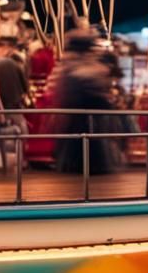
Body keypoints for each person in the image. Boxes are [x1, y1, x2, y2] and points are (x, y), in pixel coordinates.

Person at [50, 27, 121, 174]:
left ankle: (77, 165)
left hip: (77, 107)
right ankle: (93, 165)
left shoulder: (71, 64)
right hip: (89, 106)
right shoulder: (89, 65)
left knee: (77, 138)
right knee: (91, 138)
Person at [0, 36, 30, 168]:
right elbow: (25, 87)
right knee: (22, 130)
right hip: (14, 105)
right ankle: (23, 159)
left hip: (0, 105)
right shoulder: (16, 65)